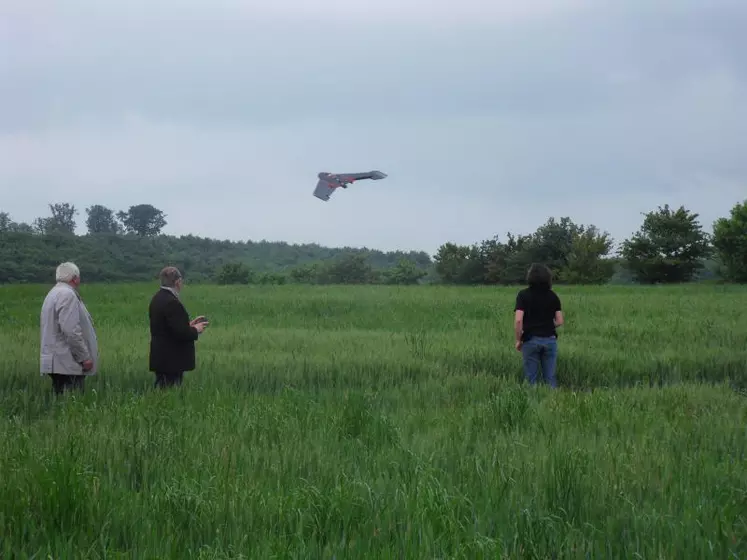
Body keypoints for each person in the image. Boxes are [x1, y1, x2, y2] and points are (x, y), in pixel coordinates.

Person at [39, 262, 98, 395]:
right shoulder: (67, 295)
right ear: (75, 278)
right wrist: (84, 357)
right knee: (73, 403)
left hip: (57, 360)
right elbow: (71, 331)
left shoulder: (53, 293)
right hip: (67, 362)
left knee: (60, 401)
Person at [148, 266, 208, 388]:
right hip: (172, 359)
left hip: (160, 356)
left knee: (162, 388)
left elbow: (168, 327)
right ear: (177, 282)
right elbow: (181, 333)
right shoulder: (172, 302)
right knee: (169, 390)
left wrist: (189, 325)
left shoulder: (157, 298)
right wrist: (196, 329)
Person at [513, 263, 564, 388]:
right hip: (550, 340)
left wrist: (519, 340)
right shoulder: (553, 296)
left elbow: (519, 321)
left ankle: (533, 403)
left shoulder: (523, 295)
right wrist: (546, 325)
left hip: (530, 340)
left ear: (530, 277)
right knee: (550, 377)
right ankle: (553, 403)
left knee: (531, 378)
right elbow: (559, 320)